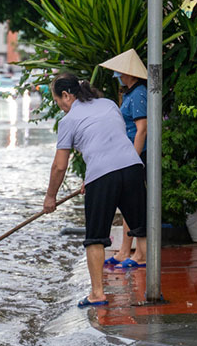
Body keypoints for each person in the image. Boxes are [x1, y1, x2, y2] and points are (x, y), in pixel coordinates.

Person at [43, 72, 147, 308]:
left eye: (58, 100)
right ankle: (151, 288)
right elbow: (111, 138)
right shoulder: (109, 104)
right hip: (131, 167)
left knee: (95, 239)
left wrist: (50, 197)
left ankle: (97, 294)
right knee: (142, 227)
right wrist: (90, 179)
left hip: (103, 176)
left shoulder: (68, 122)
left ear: (67, 95)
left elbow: (60, 166)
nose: (59, 105)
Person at [99, 49, 148, 269]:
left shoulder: (138, 94)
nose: (118, 75)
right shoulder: (130, 93)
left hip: (136, 154)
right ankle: (125, 251)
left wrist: (133, 158)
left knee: (134, 204)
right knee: (129, 204)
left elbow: (142, 129)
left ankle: (139, 254)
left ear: (129, 73)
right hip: (128, 154)